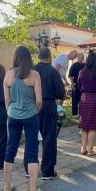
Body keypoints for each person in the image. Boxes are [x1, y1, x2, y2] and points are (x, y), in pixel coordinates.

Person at [2, 46, 43, 191]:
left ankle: (6, 186)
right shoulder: (35, 75)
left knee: (10, 150)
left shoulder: (8, 75)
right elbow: (39, 100)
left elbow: (6, 99)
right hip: (31, 115)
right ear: (29, 58)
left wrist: (9, 111)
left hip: (13, 116)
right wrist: (35, 110)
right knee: (32, 152)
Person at [33, 47, 65, 180]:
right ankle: (47, 171)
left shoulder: (32, 70)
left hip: (32, 105)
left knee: (32, 137)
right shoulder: (53, 71)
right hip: (48, 105)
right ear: (50, 57)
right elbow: (60, 92)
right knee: (49, 138)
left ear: (39, 56)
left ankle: (29, 169)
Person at [78, 52, 96, 156]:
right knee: (93, 126)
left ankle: (83, 148)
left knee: (84, 126)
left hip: (85, 98)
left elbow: (79, 85)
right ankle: (90, 150)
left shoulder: (81, 72)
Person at [68, 52, 85, 116]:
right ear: (77, 58)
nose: (81, 58)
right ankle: (74, 113)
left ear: (83, 58)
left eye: (82, 57)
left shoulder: (85, 65)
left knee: (83, 99)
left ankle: (82, 112)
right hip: (75, 84)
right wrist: (72, 85)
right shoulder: (74, 65)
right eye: (79, 57)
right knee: (75, 99)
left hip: (83, 84)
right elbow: (70, 76)